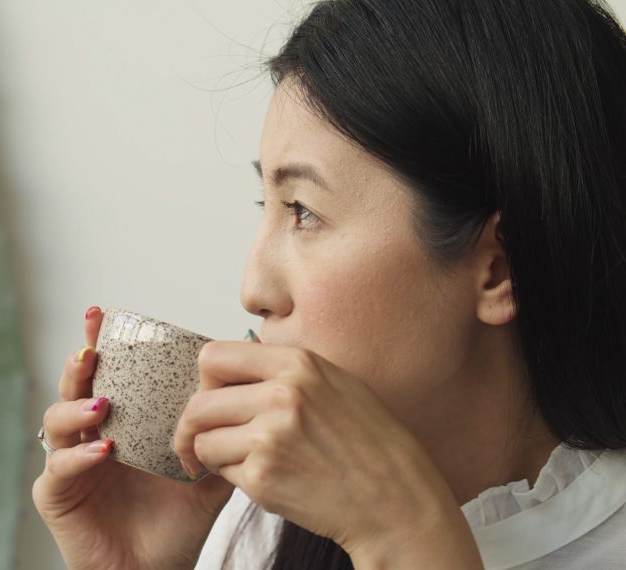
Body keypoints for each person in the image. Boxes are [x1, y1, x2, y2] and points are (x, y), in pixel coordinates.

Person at [31, 0, 626, 567]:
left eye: (303, 211)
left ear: (500, 268)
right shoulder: (259, 527)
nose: (252, 290)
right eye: (267, 202)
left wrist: (401, 535)